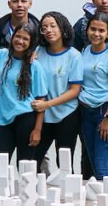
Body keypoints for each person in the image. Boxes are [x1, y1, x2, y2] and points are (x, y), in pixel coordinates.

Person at [0, 0, 41, 155]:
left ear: (30, 3)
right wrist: (1, 78)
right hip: (1, 103)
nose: (19, 5)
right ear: (9, 3)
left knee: (34, 157)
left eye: (23, 1)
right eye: (15, 1)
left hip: (28, 106)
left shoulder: (40, 30)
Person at [0, 25, 48, 164]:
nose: (20, 41)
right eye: (18, 36)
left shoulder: (35, 65)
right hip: (5, 120)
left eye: (25, 39)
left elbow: (41, 99)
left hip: (26, 119)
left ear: (31, 43)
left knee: (25, 166)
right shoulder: (1, 55)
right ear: (12, 37)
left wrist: (37, 130)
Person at [32, 12, 83, 170]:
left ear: (62, 28)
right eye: (44, 27)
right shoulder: (38, 52)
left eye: (53, 26)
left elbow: (75, 91)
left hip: (66, 114)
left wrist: (47, 104)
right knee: (32, 161)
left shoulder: (74, 56)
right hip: (42, 116)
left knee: (64, 164)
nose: (48, 30)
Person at [79, 13, 108, 180]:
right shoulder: (85, 51)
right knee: (93, 162)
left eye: (101, 30)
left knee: (102, 165)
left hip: (104, 111)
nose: (96, 34)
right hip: (86, 112)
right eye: (93, 29)